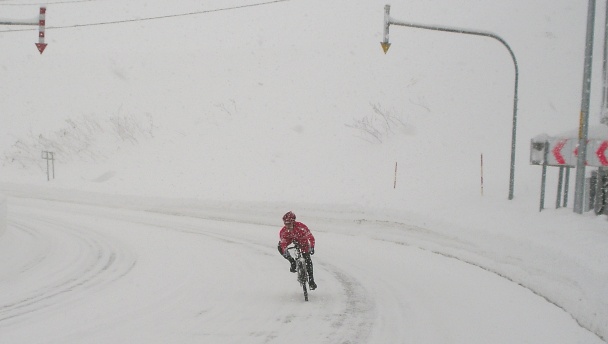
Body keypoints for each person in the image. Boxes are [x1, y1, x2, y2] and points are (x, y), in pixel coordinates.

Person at [277, 211, 317, 290]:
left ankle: (311, 281)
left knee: (307, 259)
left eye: (288, 223)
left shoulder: (301, 227)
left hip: (302, 241)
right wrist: (285, 251)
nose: (287, 225)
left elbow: (310, 237)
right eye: (285, 223)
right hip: (290, 239)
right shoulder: (284, 231)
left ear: (293, 222)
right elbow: (283, 242)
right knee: (280, 246)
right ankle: (292, 262)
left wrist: (311, 246)